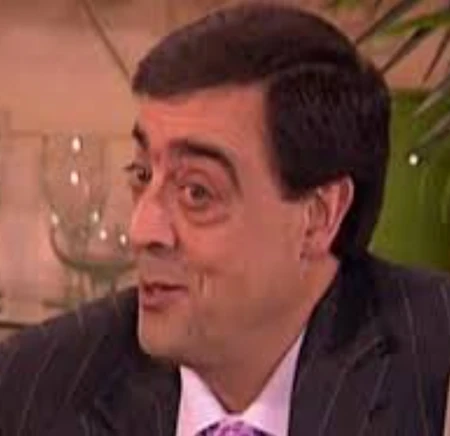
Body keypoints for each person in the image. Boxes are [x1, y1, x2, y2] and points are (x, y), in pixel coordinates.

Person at [1, 3, 450, 435]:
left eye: (197, 192)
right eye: (142, 175)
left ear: (317, 217)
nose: (142, 230)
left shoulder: (433, 370)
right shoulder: (31, 388)